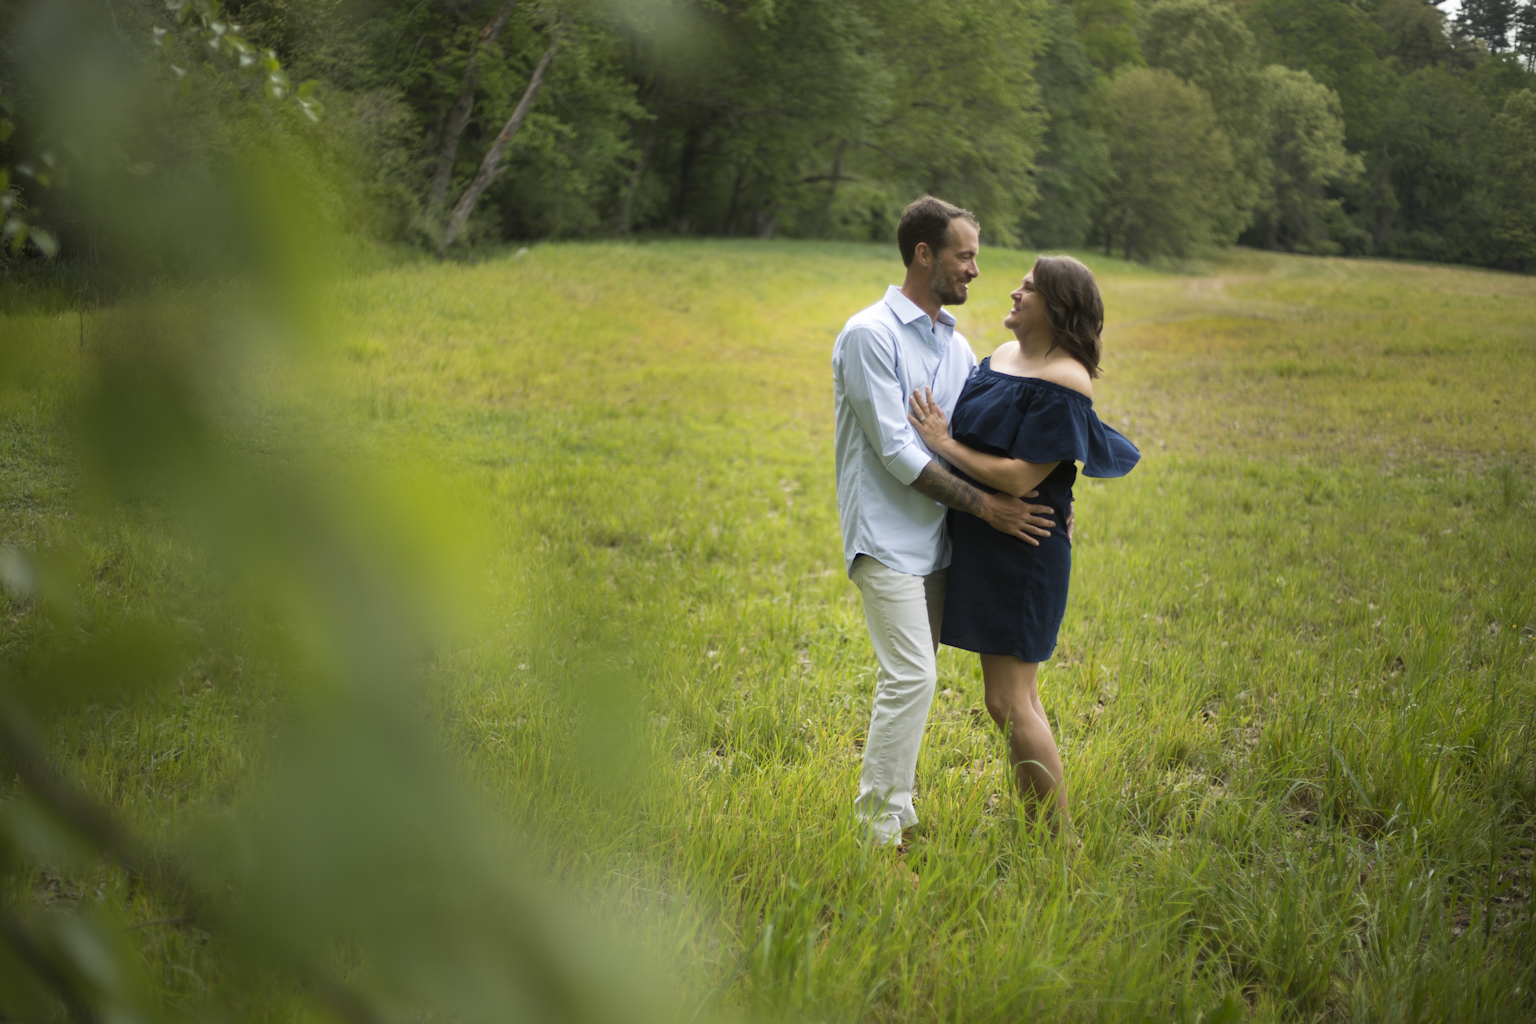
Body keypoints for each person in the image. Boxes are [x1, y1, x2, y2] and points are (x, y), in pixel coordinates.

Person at [831, 195, 1060, 848]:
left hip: (940, 542)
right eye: (964, 255)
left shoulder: (955, 347)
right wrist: (989, 506)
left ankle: (898, 816)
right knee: (912, 677)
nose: (975, 270)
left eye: (977, 258)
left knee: (912, 680)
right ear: (923, 254)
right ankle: (876, 838)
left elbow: (971, 439)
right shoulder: (868, 334)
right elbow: (899, 453)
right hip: (884, 539)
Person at [907, 255, 1139, 832]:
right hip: (991, 538)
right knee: (1013, 699)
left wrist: (940, 441)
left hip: (1022, 544)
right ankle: (1043, 830)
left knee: (1009, 702)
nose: (1013, 292)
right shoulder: (1006, 357)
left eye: (1029, 288)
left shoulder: (1066, 378)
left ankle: (1057, 842)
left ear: (1056, 308)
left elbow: (1018, 476)